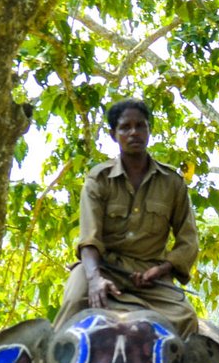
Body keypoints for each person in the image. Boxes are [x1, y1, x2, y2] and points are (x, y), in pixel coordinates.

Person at [57, 98, 199, 336]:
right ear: (114, 134)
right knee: (72, 304)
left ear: (149, 130)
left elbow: (188, 240)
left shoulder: (172, 183)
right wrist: (94, 280)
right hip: (102, 269)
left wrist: (163, 269)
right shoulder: (98, 180)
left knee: (186, 319)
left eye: (140, 126)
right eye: (125, 127)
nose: (134, 132)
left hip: (151, 277)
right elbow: (89, 239)